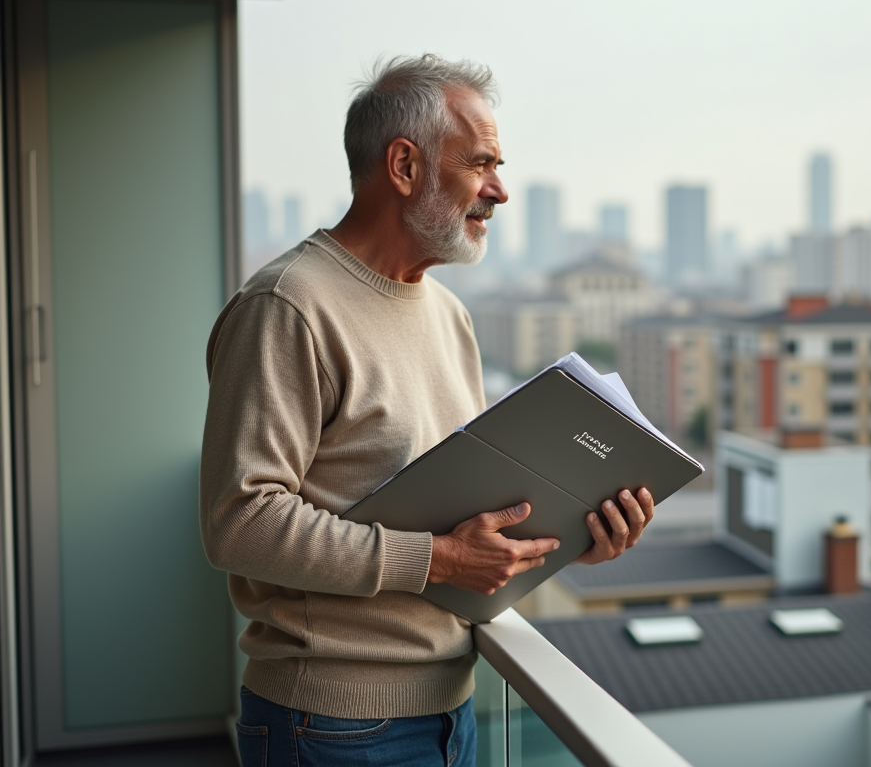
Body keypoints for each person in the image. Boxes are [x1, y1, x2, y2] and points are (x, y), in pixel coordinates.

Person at [200, 54, 655, 767]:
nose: (499, 191)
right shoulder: (287, 306)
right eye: (480, 163)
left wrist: (573, 533)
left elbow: (463, 511)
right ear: (405, 166)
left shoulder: (448, 315)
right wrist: (440, 557)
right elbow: (240, 523)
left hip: (452, 710)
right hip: (329, 727)